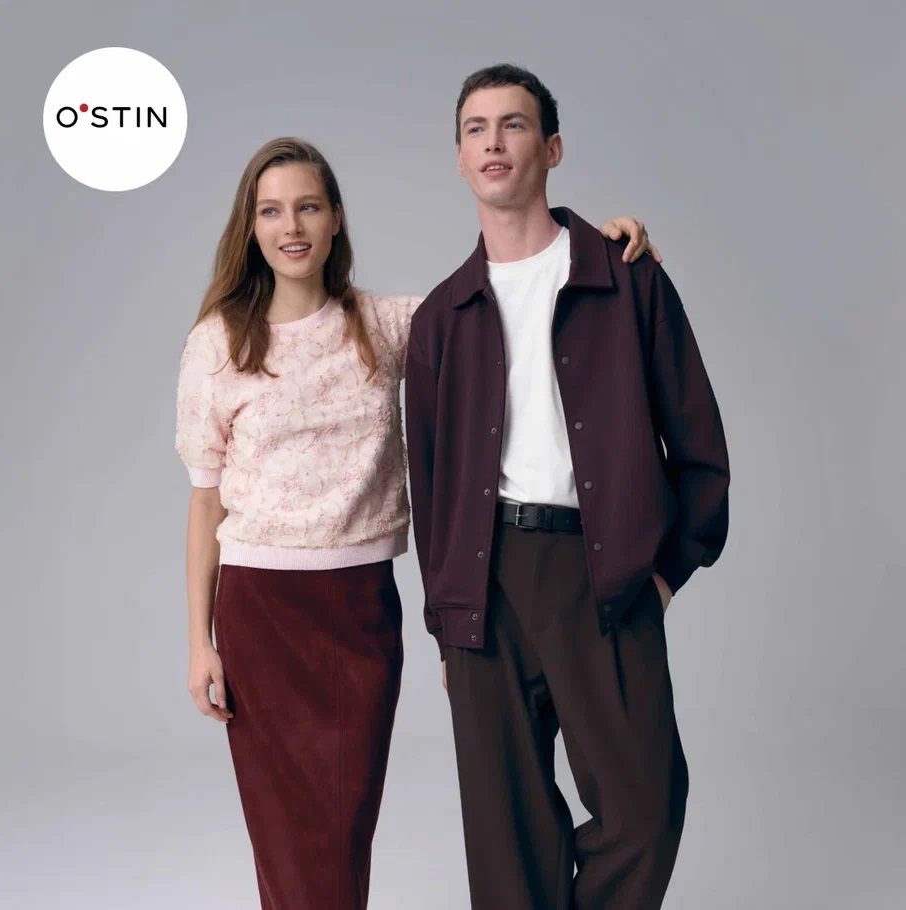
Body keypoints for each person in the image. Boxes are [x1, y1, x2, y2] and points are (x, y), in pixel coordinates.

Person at [174, 135, 659, 910]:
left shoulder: (389, 324)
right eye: (270, 211)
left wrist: (599, 248)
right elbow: (206, 503)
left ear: (336, 218)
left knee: (343, 832)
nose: (290, 226)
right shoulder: (217, 343)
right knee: (288, 842)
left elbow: (509, 299)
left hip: (360, 614)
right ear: (250, 226)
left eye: (308, 206)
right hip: (261, 613)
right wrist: (201, 642)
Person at [404, 63, 731, 910]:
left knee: (645, 812)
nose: (493, 143)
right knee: (506, 836)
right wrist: (446, 622)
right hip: (484, 584)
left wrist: (663, 577)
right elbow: (430, 489)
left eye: (513, 125)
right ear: (459, 158)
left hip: (604, 575)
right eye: (475, 129)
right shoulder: (441, 317)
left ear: (551, 149)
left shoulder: (627, 277)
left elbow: (699, 446)